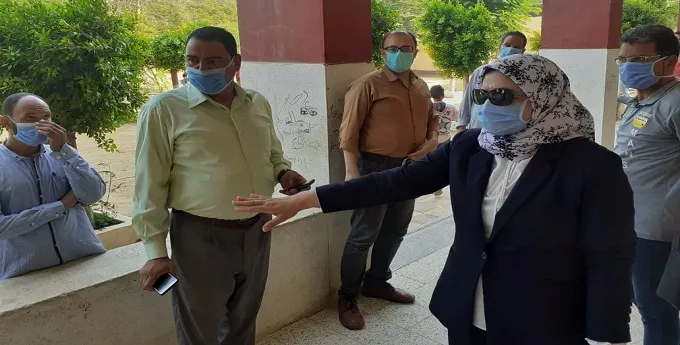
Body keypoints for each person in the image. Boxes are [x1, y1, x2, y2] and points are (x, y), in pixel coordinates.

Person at [235, 54, 635, 345]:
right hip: (466, 305)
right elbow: (396, 181)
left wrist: (606, 327)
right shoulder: (470, 147)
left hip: (544, 315)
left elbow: (610, 252)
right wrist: (308, 200)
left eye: (502, 97)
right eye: (481, 95)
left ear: (543, 97)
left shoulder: (592, 166)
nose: (487, 106)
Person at [132, 26, 308, 345]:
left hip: (258, 228)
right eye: (193, 60)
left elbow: (272, 152)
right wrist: (155, 251)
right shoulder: (163, 109)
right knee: (199, 328)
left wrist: (283, 172)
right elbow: (149, 184)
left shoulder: (256, 103)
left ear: (235, 62)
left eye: (213, 61)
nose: (201, 69)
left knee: (243, 321)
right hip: (200, 236)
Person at [335, 30, 439, 330]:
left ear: (415, 52)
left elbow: (432, 120)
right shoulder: (367, 84)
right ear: (383, 52)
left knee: (396, 229)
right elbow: (348, 131)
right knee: (362, 236)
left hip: (409, 167)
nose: (399, 53)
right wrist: (352, 172)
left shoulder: (420, 85)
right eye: (393, 48)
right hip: (374, 167)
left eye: (406, 48)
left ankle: (377, 281)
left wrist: (432, 141)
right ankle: (347, 297)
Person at [614, 24, 680, 345]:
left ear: (669, 62)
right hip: (626, 223)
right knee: (632, 301)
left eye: (639, 60)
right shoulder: (640, 101)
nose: (628, 67)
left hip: (655, 231)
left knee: (655, 311)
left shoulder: (675, 104)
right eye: (624, 59)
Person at [0, 93, 106, 279]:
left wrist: (64, 151)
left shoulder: (63, 156)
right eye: (30, 118)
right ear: (6, 122)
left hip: (84, 262)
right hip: (26, 276)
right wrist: (61, 205)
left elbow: (93, 194)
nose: (42, 124)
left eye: (46, 117)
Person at [456, 31, 527, 131]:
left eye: (516, 47)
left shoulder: (525, 76)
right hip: (477, 128)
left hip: (506, 131)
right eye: (507, 45)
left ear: (522, 51)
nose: (511, 49)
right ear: (500, 47)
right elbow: (468, 100)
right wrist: (461, 127)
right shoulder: (481, 71)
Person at [430, 84, 458, 196]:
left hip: (431, 140)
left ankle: (435, 185)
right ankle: (445, 183)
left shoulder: (427, 108)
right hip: (446, 139)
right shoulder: (451, 108)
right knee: (445, 162)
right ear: (443, 95)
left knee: (432, 163)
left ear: (431, 95)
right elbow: (458, 119)